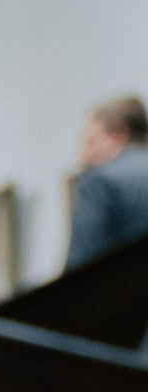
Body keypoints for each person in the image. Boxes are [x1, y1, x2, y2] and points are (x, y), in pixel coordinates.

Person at [70, 96, 148, 269]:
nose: (83, 157)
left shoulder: (100, 182)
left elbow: (79, 267)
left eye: (91, 142)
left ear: (118, 135)